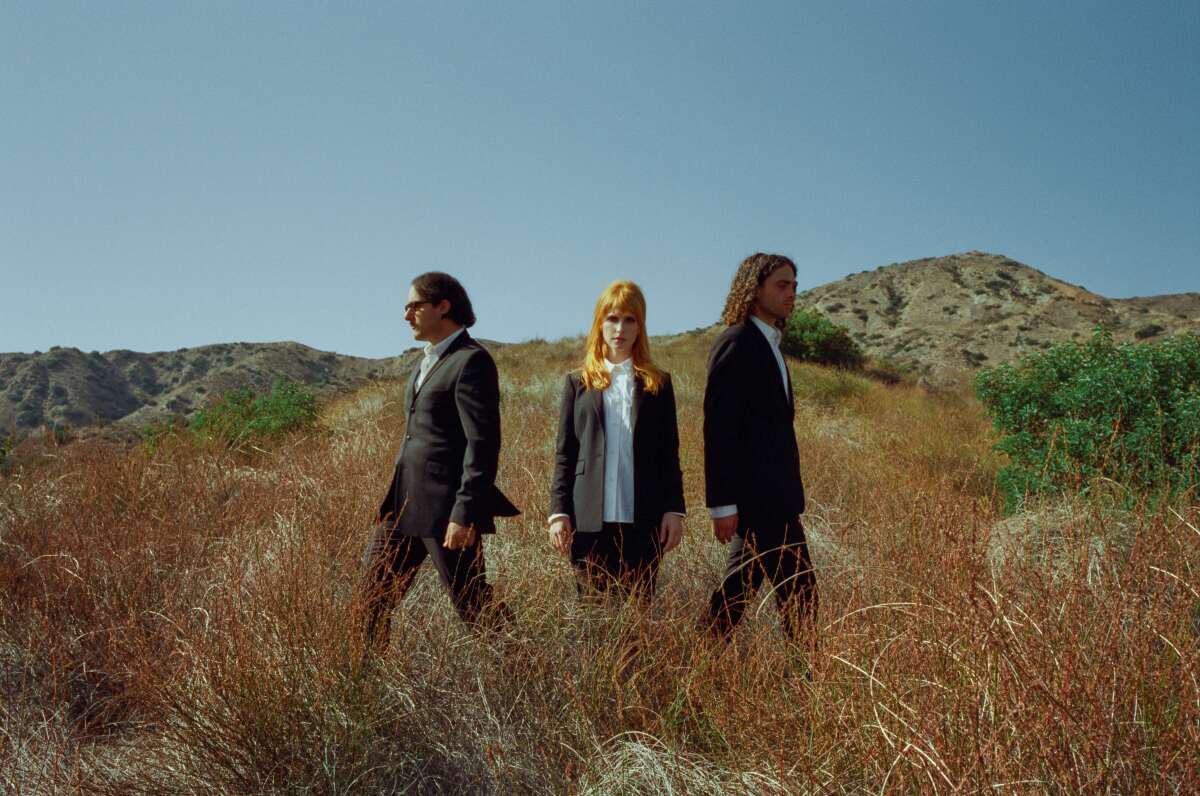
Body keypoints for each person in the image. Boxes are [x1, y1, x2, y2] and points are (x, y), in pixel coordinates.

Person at [356, 272, 519, 656]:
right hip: (402, 508)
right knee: (370, 600)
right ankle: (367, 694)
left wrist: (465, 512)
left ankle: (532, 679)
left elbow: (482, 444)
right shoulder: (425, 363)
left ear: (443, 306)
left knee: (474, 607)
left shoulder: (471, 361)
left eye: (414, 306)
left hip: (446, 513)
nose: (406, 315)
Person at [702, 253, 819, 648]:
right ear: (754, 291)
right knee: (803, 605)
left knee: (735, 600)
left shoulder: (771, 346)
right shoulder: (736, 343)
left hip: (776, 501)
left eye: (794, 286)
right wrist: (722, 504)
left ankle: (691, 670)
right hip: (760, 503)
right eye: (782, 286)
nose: (791, 294)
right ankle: (813, 690)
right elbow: (719, 429)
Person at [548, 280, 685, 603]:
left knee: (636, 622)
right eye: (611, 318)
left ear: (640, 326)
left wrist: (674, 511)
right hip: (588, 523)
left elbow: (669, 453)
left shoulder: (658, 384)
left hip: (643, 521)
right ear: (599, 323)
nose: (619, 328)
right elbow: (565, 453)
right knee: (594, 619)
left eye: (629, 319)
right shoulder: (577, 383)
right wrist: (558, 513)